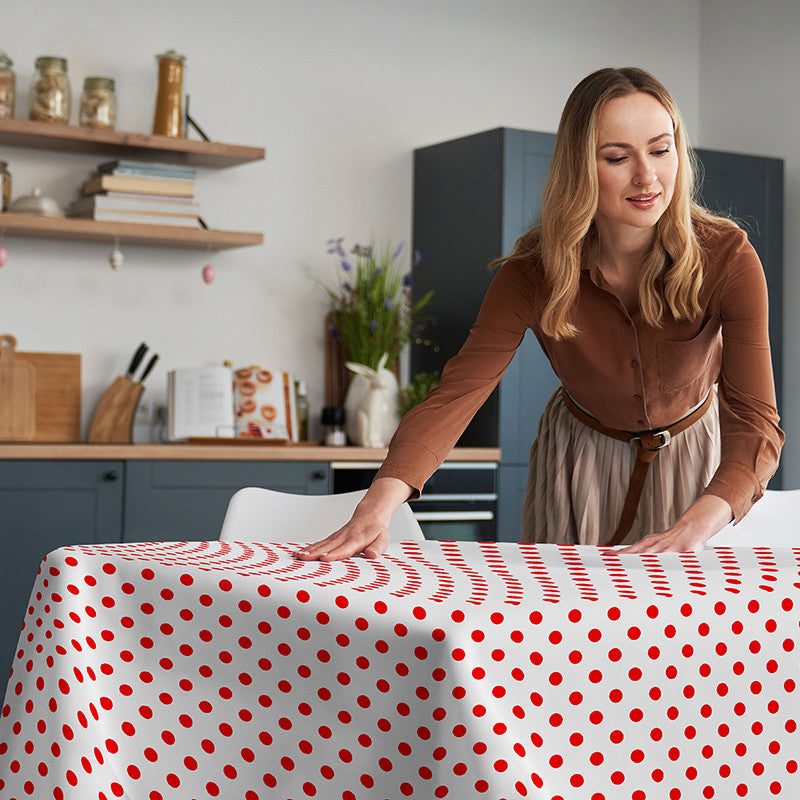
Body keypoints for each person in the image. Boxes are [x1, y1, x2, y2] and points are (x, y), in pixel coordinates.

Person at [296, 66, 784, 562]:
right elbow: (458, 393)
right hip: (578, 460)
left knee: (682, 606)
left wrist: (703, 518)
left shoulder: (728, 257)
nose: (647, 176)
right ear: (580, 167)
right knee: (568, 605)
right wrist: (376, 507)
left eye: (661, 150)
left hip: (700, 461)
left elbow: (755, 418)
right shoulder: (533, 271)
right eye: (617, 157)